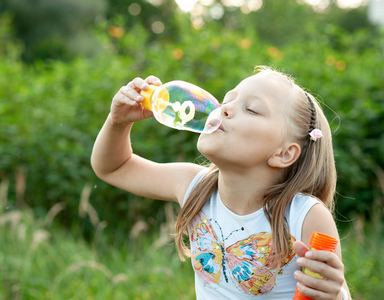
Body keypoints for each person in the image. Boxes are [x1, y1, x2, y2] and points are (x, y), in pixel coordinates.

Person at [91, 66, 351, 299]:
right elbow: (114, 167)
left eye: (251, 109)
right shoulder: (194, 185)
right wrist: (118, 123)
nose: (223, 109)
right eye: (227, 100)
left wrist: (334, 295)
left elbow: (329, 290)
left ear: (283, 153)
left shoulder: (305, 217)